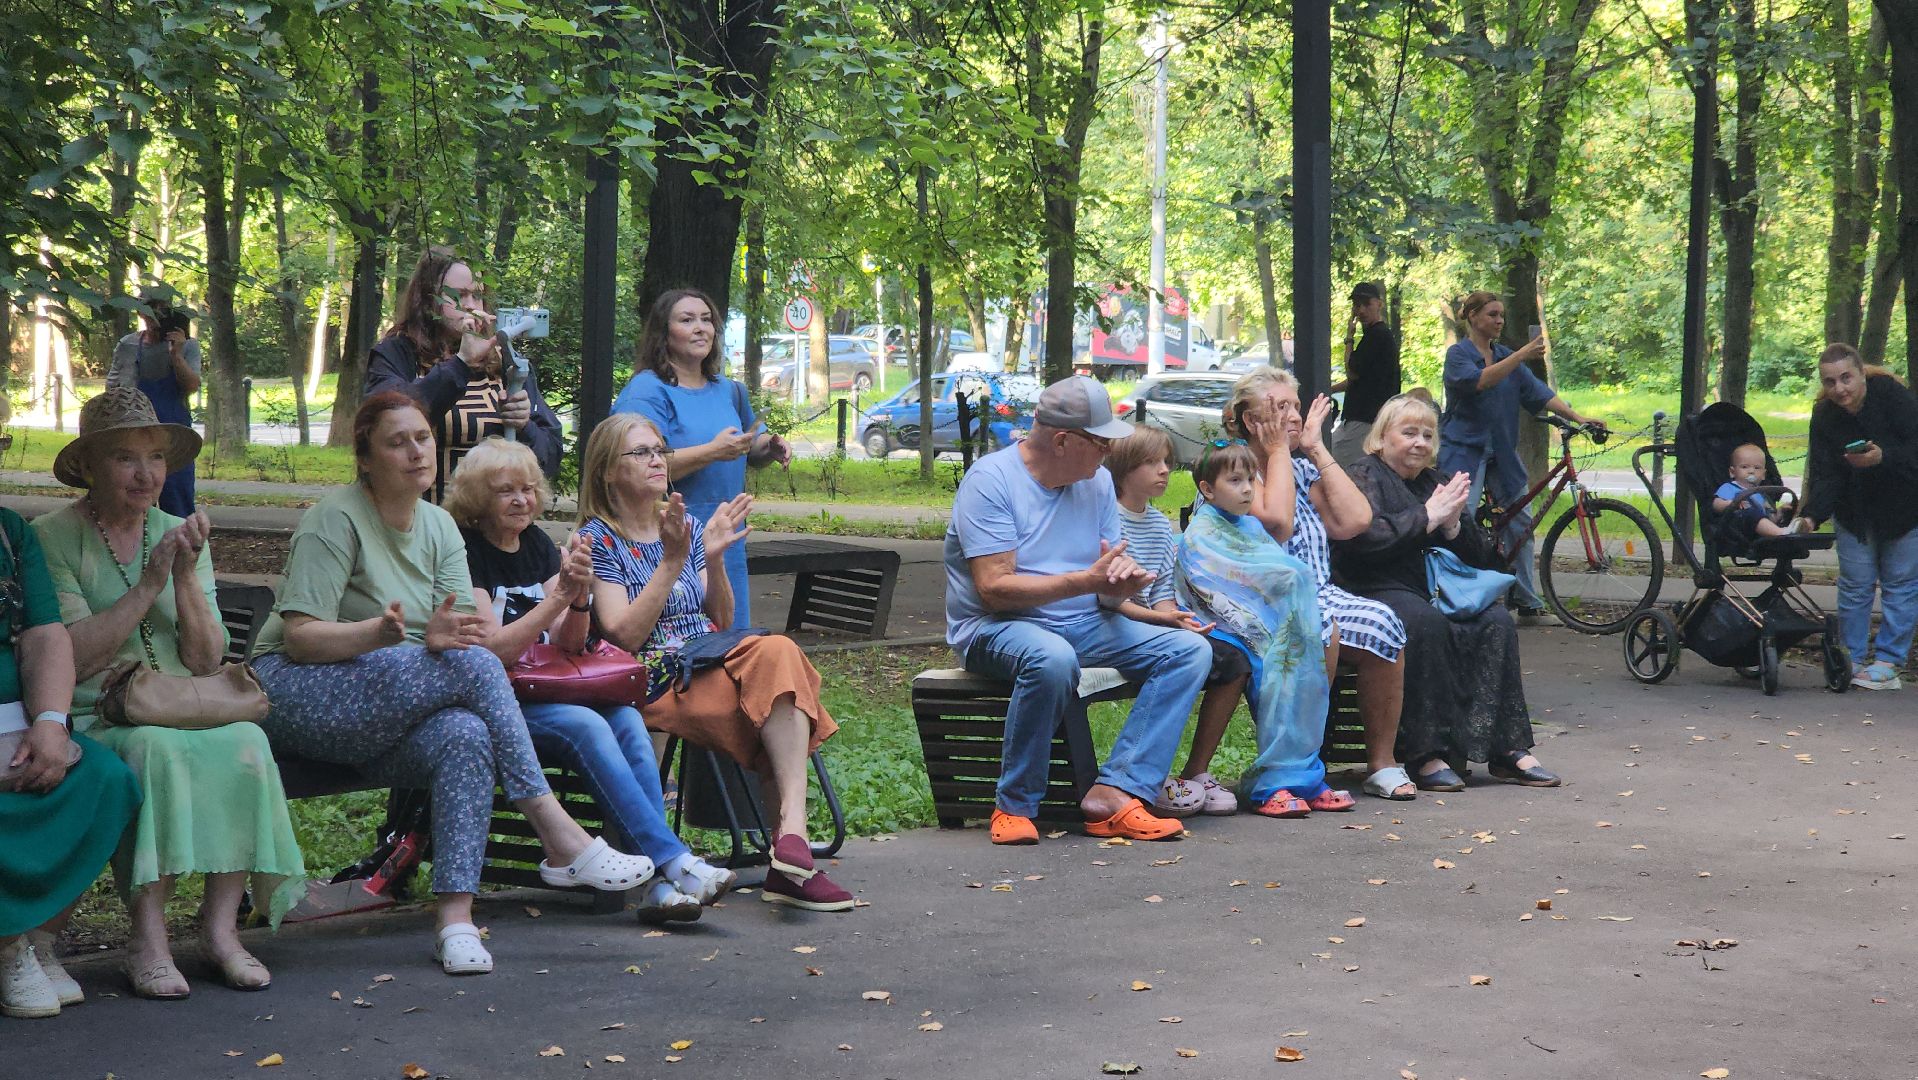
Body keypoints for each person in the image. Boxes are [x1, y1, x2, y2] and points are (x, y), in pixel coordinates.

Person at [250, 393, 653, 976]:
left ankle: (456, 923)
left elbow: (466, 642)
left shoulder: (439, 524)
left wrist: (436, 638)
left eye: (423, 436)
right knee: (474, 669)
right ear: (365, 457)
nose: (417, 451)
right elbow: (300, 640)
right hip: (295, 693)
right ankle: (558, 834)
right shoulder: (334, 518)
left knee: (464, 734)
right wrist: (383, 633)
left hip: (392, 700)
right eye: (397, 441)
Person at [35, 388, 306, 1000]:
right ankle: (148, 941)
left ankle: (219, 933)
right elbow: (74, 655)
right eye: (126, 458)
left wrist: (184, 575)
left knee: (246, 743)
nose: (145, 473)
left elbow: (206, 658)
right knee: (152, 752)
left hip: (180, 703)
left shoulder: (176, 531)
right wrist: (148, 582)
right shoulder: (52, 537)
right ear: (89, 466)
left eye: (156, 459)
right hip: (91, 710)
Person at [447, 438, 738, 923]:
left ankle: (659, 884)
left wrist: (578, 598)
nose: (522, 500)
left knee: (625, 718)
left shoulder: (537, 544)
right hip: (498, 698)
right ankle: (672, 862)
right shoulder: (467, 552)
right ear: (478, 498)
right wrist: (560, 597)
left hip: (548, 685)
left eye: (527, 489)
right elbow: (494, 650)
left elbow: (569, 644)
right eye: (505, 492)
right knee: (589, 726)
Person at [576, 414, 851, 912]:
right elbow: (622, 635)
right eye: (640, 453)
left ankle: (790, 836)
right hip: (653, 677)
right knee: (776, 700)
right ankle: (793, 858)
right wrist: (672, 563)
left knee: (778, 655)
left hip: (709, 660)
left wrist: (715, 558)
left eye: (659, 449)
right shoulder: (600, 540)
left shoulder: (682, 525)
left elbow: (721, 619)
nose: (657, 459)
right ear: (607, 471)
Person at [945, 375, 1212, 846]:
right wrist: (1086, 582)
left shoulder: (1097, 485)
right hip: (997, 627)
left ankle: (1117, 792)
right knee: (1051, 657)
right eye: (1101, 442)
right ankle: (1014, 806)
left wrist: (1118, 586)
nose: (1109, 453)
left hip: (1084, 621)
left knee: (1189, 651)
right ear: (1064, 441)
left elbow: (1105, 592)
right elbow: (994, 590)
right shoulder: (990, 481)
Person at [1333, 394, 1561, 790]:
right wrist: (1428, 517)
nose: (1420, 442)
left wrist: (1454, 526)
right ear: (1382, 437)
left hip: (1438, 588)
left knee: (1495, 621)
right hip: (1374, 586)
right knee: (1424, 622)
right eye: (1408, 433)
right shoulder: (1362, 476)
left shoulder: (1436, 482)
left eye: (1427, 434)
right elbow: (1365, 541)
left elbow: (1487, 560)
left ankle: (1508, 748)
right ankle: (1425, 754)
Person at [1224, 367, 1415, 801]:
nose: (1294, 416)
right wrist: (1276, 454)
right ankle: (1301, 764)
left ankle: (1381, 763)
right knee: (1320, 626)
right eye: (1281, 409)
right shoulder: (1233, 466)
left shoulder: (1298, 465)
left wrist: (1314, 448)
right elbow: (1278, 524)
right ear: (1252, 421)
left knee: (1383, 622)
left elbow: (1355, 520)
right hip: (1260, 601)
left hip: (1318, 593)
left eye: (1296, 406)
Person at [0, 504, 142, 1019]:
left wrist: (51, 723)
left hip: (14, 721)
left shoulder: (11, 532)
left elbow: (44, 633)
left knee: (103, 779)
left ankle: (37, 942)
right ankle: (8, 947)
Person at [1176, 443, 1342, 817]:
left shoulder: (1249, 525)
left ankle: (1304, 775)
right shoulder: (1202, 530)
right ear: (1207, 488)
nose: (1248, 489)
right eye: (1235, 480)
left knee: (1302, 675)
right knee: (1275, 671)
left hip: (1269, 631)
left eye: (1251, 479)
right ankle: (1273, 783)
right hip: (1227, 629)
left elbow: (1270, 569)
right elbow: (1212, 586)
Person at [611, 288, 790, 627]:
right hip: (668, 539)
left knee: (732, 641)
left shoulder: (728, 389)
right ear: (664, 333)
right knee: (687, 639)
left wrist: (769, 446)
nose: (700, 328)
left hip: (725, 538)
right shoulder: (647, 390)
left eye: (707, 320)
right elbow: (631, 462)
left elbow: (747, 444)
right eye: (687, 319)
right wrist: (713, 452)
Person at [1102, 427, 1247, 817]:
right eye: (1151, 462)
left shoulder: (1160, 526)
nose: (1164, 470)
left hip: (1148, 623)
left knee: (1234, 660)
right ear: (1123, 468)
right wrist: (1164, 623)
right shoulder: (1107, 519)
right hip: (1112, 623)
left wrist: (1177, 618)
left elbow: (1161, 593)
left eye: (1166, 461)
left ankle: (1197, 771)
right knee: (1189, 654)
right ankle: (1140, 779)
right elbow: (1115, 602)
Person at [1438, 292, 1608, 624]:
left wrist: (1579, 418)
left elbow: (1540, 394)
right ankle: (1455, 595)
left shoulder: (1506, 356)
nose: (1499, 320)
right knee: (1460, 522)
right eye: (1492, 314)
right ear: (1472, 317)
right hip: (1464, 450)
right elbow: (1480, 381)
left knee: (1521, 522)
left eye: (1501, 315)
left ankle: (1527, 599)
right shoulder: (1458, 355)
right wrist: (1522, 354)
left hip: (1501, 450)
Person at [362, 247, 564, 501]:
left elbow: (551, 456)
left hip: (492, 528)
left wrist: (525, 427)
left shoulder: (505, 361)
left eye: (477, 296)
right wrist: (461, 363)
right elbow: (385, 421)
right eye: (459, 296)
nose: (470, 307)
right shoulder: (398, 352)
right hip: (420, 522)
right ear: (428, 299)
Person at [1803, 343, 1918, 691]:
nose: (1840, 389)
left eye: (1846, 378)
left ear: (1861, 374)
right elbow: (1826, 472)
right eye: (1830, 381)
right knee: (1855, 587)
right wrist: (1811, 515)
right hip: (1854, 511)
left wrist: (1882, 457)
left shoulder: (1891, 396)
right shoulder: (1824, 415)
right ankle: (1849, 658)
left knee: (1900, 585)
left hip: (1903, 508)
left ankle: (1888, 662)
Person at [106, 298, 201, 518]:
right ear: (142, 313)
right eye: (151, 309)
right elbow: (113, 388)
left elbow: (192, 385)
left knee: (178, 502)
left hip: (173, 436)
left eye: (163, 310)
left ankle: (182, 547)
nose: (156, 315)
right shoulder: (127, 345)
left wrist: (176, 355)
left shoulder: (188, 345)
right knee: (132, 499)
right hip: (133, 432)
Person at [1327, 282, 1401, 466]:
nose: (1361, 310)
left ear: (1379, 304)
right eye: (1357, 305)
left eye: (1366, 304)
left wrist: (1349, 338)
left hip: (1364, 420)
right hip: (1369, 419)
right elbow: (1361, 378)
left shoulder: (1378, 335)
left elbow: (1352, 372)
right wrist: (1331, 389)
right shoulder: (1377, 336)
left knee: (1329, 464)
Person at [1713, 444, 1794, 541]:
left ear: (1763, 475)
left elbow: (1767, 519)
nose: (1751, 471)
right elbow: (1716, 504)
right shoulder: (1729, 487)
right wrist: (1732, 504)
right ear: (1732, 472)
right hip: (1739, 529)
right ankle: (1781, 534)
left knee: (1759, 513)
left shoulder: (1761, 494)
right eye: (1744, 467)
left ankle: (1784, 531)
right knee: (1751, 512)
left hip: (1758, 532)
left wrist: (1778, 514)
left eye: (1757, 468)